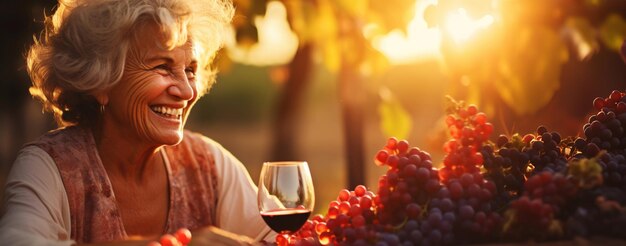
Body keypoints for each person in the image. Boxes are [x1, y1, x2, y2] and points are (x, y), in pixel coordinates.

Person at [0, 0, 275, 245]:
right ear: (100, 81)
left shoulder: (207, 163)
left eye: (190, 70)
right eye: (162, 67)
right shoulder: (50, 165)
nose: (187, 91)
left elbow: (279, 236)